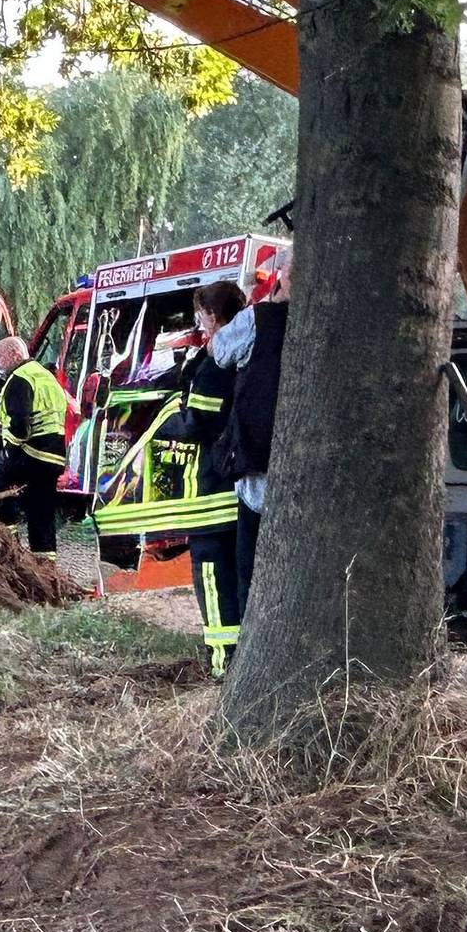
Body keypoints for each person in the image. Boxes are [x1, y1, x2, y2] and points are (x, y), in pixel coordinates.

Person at [162, 281, 250, 675]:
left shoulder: (216, 364)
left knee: (213, 575)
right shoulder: (251, 351)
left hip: (215, 491)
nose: (199, 324)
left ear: (212, 316)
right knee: (239, 575)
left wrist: (168, 422)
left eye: (200, 316)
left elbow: (199, 421)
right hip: (242, 490)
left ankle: (223, 663)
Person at [212, 258, 290, 605]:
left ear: (283, 278)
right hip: (303, 473)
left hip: (258, 462)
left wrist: (268, 300)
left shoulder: (259, 319)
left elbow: (220, 352)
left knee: (249, 570)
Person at [0, 336, 70, 562]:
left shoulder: (19, 378)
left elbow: (21, 426)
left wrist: (10, 450)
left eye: (0, 358)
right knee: (41, 511)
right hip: (54, 457)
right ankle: (46, 564)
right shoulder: (46, 377)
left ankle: (7, 547)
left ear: (14, 355)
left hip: (32, 453)